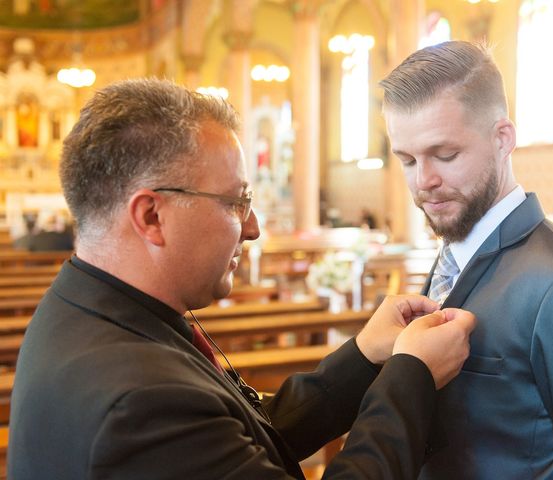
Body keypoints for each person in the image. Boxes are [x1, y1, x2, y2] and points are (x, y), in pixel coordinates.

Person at [8, 78, 476, 479]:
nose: (252, 228)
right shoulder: (141, 403)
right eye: (235, 202)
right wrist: (410, 378)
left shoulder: (89, 303)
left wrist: (366, 356)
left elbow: (244, 437)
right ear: (151, 215)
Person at [379, 40, 553, 479]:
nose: (424, 181)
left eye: (446, 155)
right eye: (407, 160)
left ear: (503, 139)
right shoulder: (452, 260)